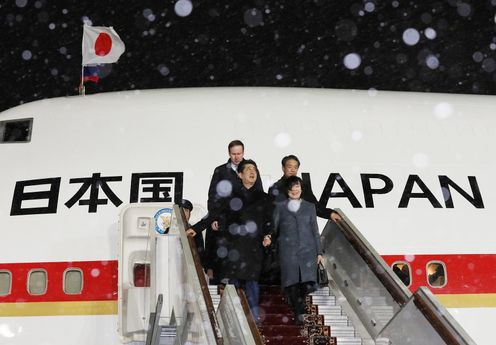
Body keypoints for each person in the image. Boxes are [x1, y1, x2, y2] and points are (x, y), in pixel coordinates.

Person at [187, 160, 270, 322]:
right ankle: (232, 318)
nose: (252, 172)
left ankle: (254, 319)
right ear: (240, 174)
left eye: (255, 169)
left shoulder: (263, 198)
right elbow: (213, 214)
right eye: (248, 169)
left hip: (253, 247)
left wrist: (268, 234)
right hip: (235, 247)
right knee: (233, 284)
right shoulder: (231, 197)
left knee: (252, 282)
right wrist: (196, 228)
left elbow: (270, 220)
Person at [264, 176, 323, 325]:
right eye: (292, 187)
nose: (295, 190)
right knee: (292, 283)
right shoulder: (280, 206)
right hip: (288, 251)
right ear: (287, 190)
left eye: (297, 186)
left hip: (307, 250)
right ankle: (299, 312)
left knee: (307, 283)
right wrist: (268, 236)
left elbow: (315, 231)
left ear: (301, 189)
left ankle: (300, 307)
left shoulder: (310, 207)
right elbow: (274, 227)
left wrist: (319, 252)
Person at [204, 140, 263, 284]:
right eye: (233, 154)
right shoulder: (221, 170)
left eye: (239, 153)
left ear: (243, 153)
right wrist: (214, 217)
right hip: (226, 216)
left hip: (247, 219)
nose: (236, 157)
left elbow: (259, 193)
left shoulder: (251, 168)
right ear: (228, 153)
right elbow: (213, 196)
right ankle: (220, 279)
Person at [268, 155, 341, 222]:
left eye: (295, 167)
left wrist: (330, 214)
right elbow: (271, 213)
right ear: (283, 168)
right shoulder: (275, 188)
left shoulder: (304, 186)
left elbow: (314, 206)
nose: (293, 170)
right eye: (290, 167)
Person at [180, 199, 205, 265]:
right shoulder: (169, 230)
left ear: (190, 215)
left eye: (186, 210)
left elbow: (200, 254)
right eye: (181, 210)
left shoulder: (195, 231)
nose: (183, 213)